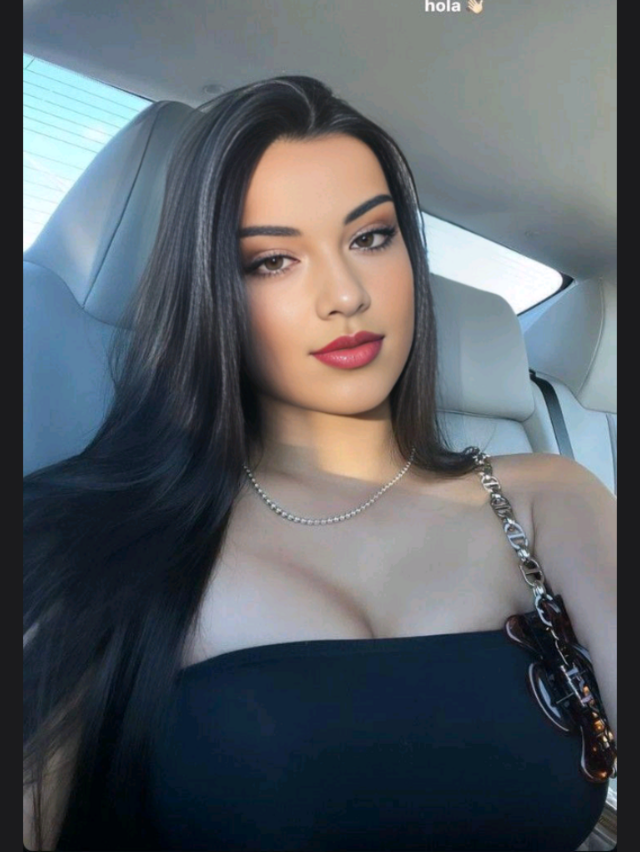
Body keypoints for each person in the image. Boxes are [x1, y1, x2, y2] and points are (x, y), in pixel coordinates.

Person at [23, 75, 616, 851]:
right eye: (272, 260)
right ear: (210, 291)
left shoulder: (545, 498)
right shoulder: (97, 534)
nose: (344, 295)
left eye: (370, 237)